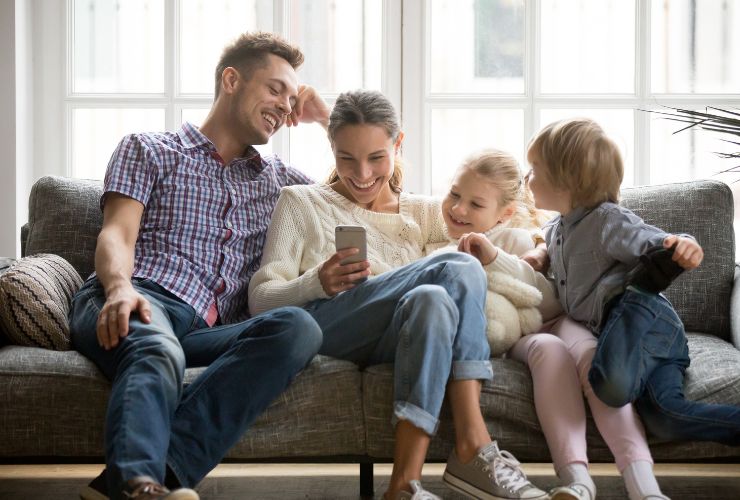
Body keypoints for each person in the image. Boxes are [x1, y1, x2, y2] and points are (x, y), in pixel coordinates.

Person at [249, 90, 549, 500]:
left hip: (397, 335)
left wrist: (545, 247)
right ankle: (474, 445)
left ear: (398, 144)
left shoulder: (427, 212)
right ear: (331, 149)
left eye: (376, 157)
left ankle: (404, 485)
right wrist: (317, 281)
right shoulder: (301, 202)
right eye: (346, 158)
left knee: (434, 300)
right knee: (458, 265)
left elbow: (499, 222)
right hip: (330, 326)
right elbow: (260, 299)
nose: (362, 174)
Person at [69, 32, 331, 500]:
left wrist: (328, 121)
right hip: (141, 296)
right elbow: (118, 233)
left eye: (292, 100)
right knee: (158, 349)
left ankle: (143, 483)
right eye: (275, 89)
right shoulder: (150, 149)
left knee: (298, 327)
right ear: (231, 80)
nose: (284, 106)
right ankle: (138, 485)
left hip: (208, 332)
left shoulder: (282, 184)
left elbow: (372, 192)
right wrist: (118, 288)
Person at [439, 149, 670, 500]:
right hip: (520, 335)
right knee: (549, 350)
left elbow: (551, 300)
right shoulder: (441, 248)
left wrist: (496, 257)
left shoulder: (526, 239)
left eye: (475, 204)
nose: (459, 209)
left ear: (505, 213)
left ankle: (644, 486)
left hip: (560, 320)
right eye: (455, 195)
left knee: (593, 358)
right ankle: (577, 479)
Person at [526, 117, 740, 492]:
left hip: (644, 324)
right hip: (641, 344)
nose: (527, 179)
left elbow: (655, 242)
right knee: (665, 418)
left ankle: (642, 290)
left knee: (607, 384)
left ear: (567, 182)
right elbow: (552, 254)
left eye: (535, 171)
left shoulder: (607, 220)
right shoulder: (556, 229)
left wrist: (684, 243)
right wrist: (539, 257)